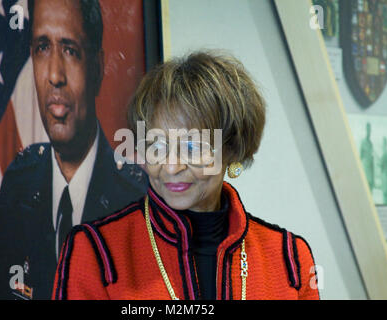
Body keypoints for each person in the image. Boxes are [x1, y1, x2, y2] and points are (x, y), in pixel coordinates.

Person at [52, 51, 320, 300]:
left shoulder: (290, 259)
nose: (170, 167)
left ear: (231, 149)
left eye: (192, 147)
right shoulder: (95, 252)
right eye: (157, 146)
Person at [0, 0, 147, 300]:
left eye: (70, 50)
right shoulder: (18, 186)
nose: (54, 76)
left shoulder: (137, 198)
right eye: (42, 48)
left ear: (98, 68)